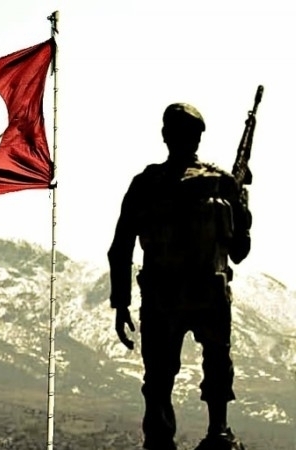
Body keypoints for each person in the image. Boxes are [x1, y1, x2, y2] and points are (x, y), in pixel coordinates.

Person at [107, 103, 252, 450]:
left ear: (164, 135)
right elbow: (240, 251)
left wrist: (121, 303)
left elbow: (120, 249)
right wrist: (242, 207)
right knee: (209, 365)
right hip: (201, 296)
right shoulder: (220, 183)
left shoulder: (147, 185)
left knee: (161, 377)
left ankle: (170, 438)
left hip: (168, 297)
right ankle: (217, 432)